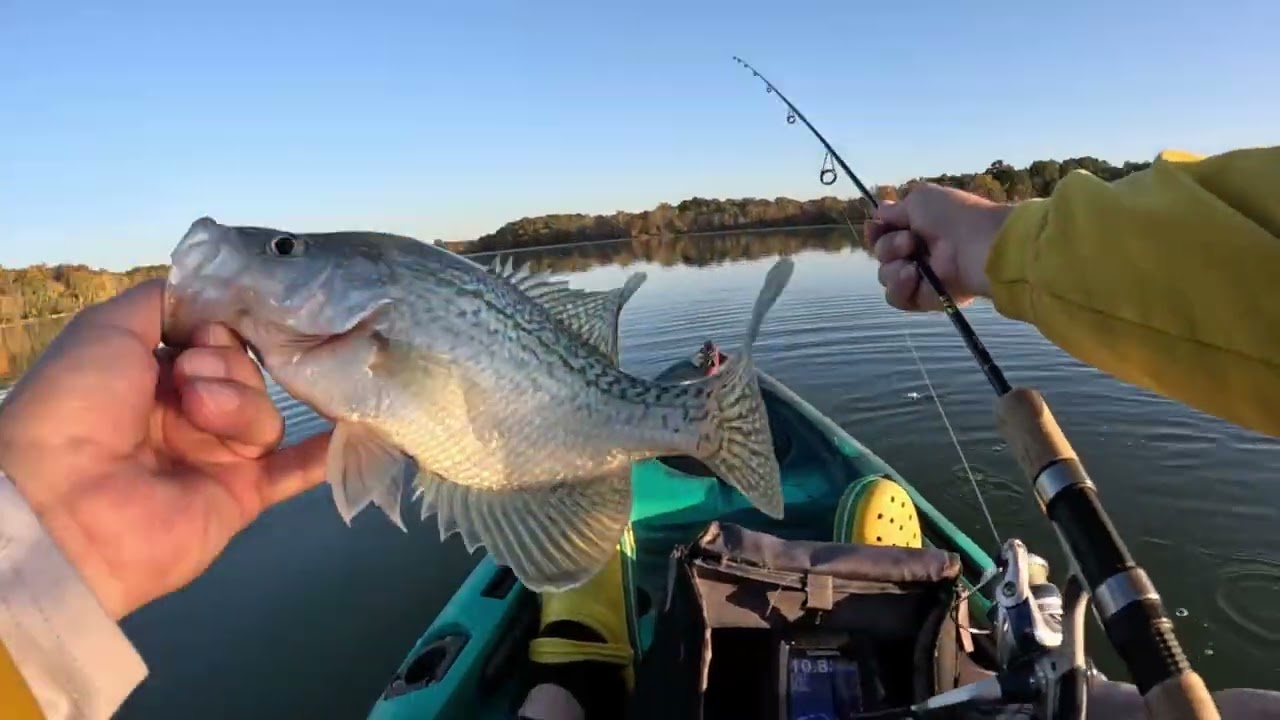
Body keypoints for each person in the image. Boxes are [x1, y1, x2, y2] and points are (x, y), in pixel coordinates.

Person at [0, 145, 1278, 719]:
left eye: (286, 255)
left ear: (348, 291)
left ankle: (576, 658)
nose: (264, 264)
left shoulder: (363, 330)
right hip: (514, 439)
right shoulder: (339, 344)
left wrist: (37, 555)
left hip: (523, 433)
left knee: (564, 607)